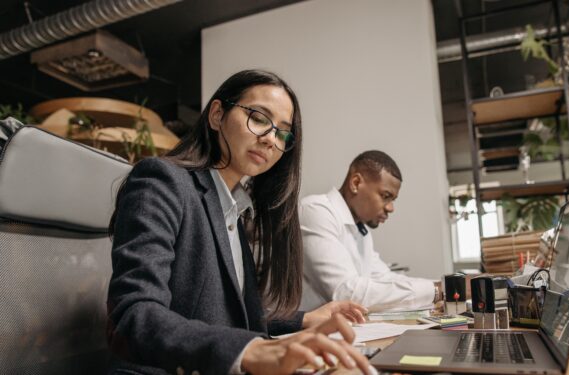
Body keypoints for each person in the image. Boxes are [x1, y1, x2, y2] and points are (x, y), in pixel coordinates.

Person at [106, 70, 376, 375]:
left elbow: (224, 315)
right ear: (217, 115)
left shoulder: (236, 207)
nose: (271, 139)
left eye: (283, 132)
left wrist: (303, 320)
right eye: (259, 118)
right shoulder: (162, 181)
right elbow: (134, 315)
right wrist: (250, 350)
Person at [300, 150, 443, 312]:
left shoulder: (361, 231)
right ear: (355, 183)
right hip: (295, 333)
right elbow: (346, 293)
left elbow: (385, 278)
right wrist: (439, 290)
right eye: (385, 196)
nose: (391, 208)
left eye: (393, 199)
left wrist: (444, 286)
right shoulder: (316, 211)